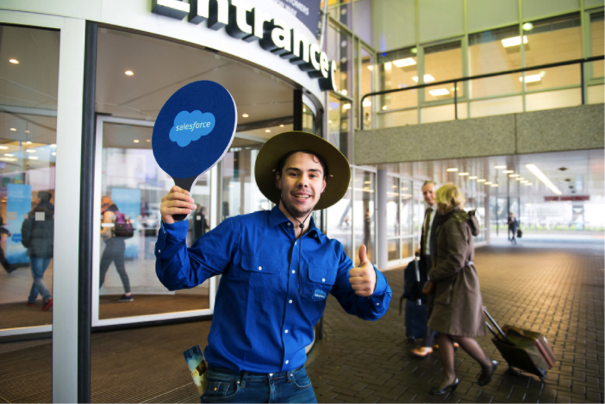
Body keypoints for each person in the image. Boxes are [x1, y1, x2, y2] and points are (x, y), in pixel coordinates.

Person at [156, 131, 392, 403]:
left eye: (313, 175)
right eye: (294, 173)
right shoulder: (239, 230)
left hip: (295, 381)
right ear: (279, 180)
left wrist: (375, 285)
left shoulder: (332, 253)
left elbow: (366, 310)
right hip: (232, 383)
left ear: (323, 184)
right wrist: (173, 227)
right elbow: (177, 276)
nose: (303, 182)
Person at [426, 183, 498, 395]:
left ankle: (485, 364)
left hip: (456, 285)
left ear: (446, 200)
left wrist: (433, 274)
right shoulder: (454, 220)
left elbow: (457, 258)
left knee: (455, 331)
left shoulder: (453, 223)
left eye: (439, 198)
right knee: (444, 329)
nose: (436, 202)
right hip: (454, 283)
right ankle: (449, 377)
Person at [410, 181, 439, 356]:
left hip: (438, 262)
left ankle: (428, 342)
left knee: (434, 300)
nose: (428, 196)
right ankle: (447, 338)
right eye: (425, 193)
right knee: (434, 299)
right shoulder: (429, 212)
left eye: (430, 192)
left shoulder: (442, 212)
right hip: (427, 260)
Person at [21, 191, 54, 311]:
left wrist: (27, 243)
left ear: (39, 198)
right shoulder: (55, 213)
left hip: (36, 248)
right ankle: (31, 300)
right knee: (39, 275)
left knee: (38, 276)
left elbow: (26, 230)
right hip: (50, 248)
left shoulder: (33, 213)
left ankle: (47, 298)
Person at [99, 196, 133, 302]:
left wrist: (96, 232)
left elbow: (106, 231)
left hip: (112, 244)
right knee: (121, 269)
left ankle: (93, 294)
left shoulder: (108, 213)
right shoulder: (118, 213)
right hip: (120, 243)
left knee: (101, 270)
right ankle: (128, 294)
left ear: (104, 205)